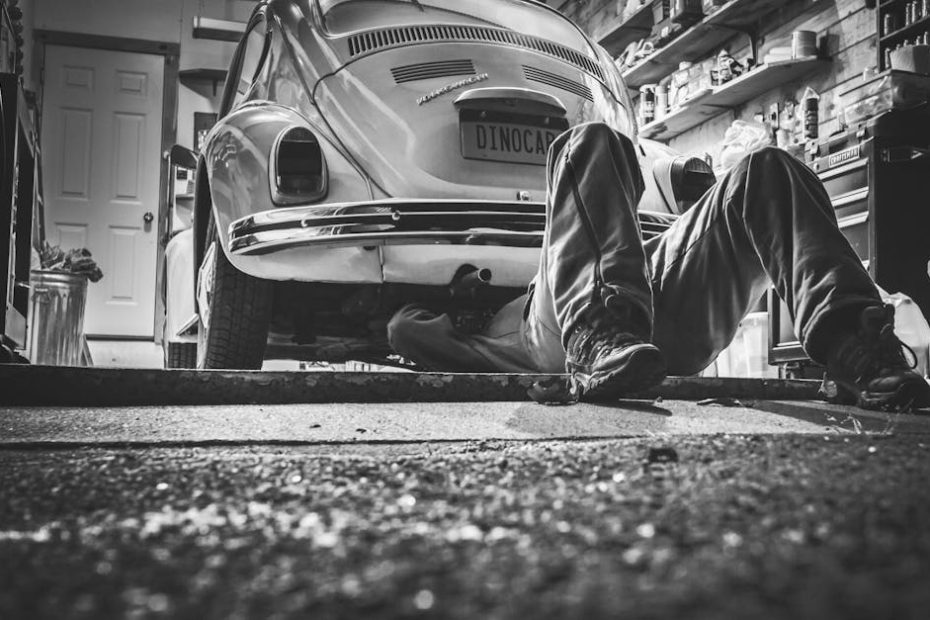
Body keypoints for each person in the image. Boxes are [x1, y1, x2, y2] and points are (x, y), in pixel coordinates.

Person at [386, 122, 930, 412]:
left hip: (650, 308)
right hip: (568, 338)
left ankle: (857, 352)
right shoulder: (475, 328)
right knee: (588, 142)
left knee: (768, 170)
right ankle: (598, 338)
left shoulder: (578, 246)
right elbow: (403, 327)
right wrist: (461, 295)